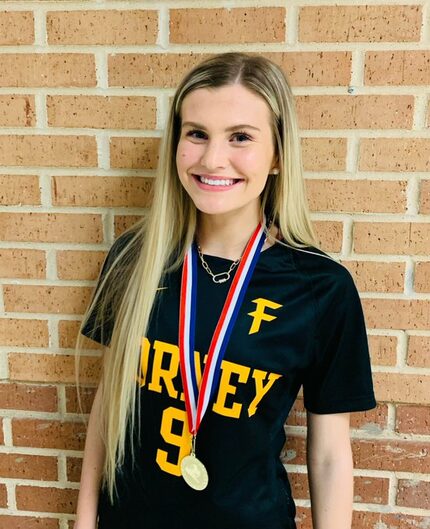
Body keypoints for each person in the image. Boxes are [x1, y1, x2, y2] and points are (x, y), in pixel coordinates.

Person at [74, 52, 376, 529]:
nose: (213, 159)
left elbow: (330, 457)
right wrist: (85, 522)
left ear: (277, 155)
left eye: (240, 137)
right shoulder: (135, 258)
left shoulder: (321, 289)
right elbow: (108, 411)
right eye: (196, 134)